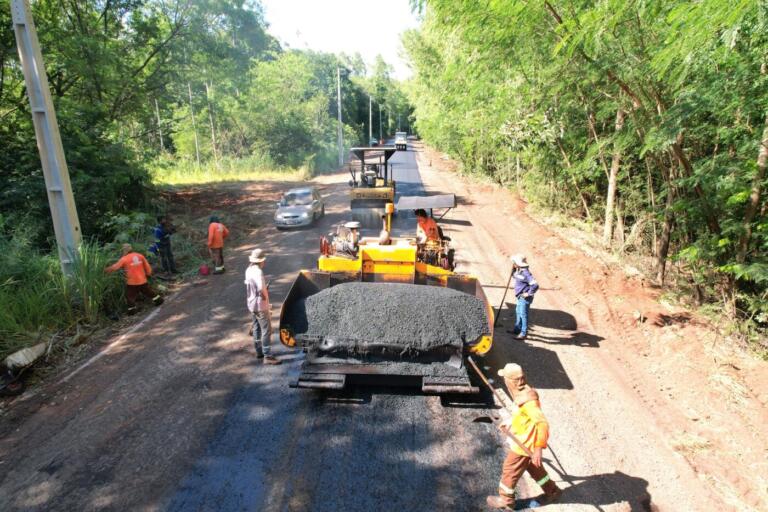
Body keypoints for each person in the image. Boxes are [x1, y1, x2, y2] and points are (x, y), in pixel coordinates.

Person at [486, 363, 561, 510]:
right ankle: (552, 491)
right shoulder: (522, 393)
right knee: (535, 469)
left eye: (506, 379)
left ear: (511, 381)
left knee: (509, 470)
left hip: (524, 444)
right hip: (527, 442)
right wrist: (510, 425)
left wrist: (539, 448)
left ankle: (506, 502)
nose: (505, 381)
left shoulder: (529, 402)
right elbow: (522, 417)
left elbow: (542, 424)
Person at [244, 249, 281, 365]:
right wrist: (265, 298)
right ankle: (268, 356)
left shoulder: (248, 269)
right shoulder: (258, 272)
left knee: (256, 328)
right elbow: (261, 288)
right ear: (261, 261)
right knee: (266, 330)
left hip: (251, 304)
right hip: (260, 305)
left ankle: (259, 351)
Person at [105, 243, 163, 314]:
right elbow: (147, 267)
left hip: (132, 282)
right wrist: (148, 274)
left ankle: (132, 310)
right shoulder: (140, 255)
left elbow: (115, 267)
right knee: (148, 292)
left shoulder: (124, 259)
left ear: (124, 251)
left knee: (129, 296)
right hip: (142, 280)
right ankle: (159, 300)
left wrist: (105, 270)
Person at [510, 254, 538, 340]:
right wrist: (513, 269)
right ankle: (517, 329)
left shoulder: (526, 273)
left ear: (518, 263)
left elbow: (535, 285)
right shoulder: (519, 271)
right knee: (518, 312)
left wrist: (529, 293)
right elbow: (514, 276)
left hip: (524, 298)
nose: (513, 263)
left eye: (514, 262)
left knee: (523, 314)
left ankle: (523, 333)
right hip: (519, 297)